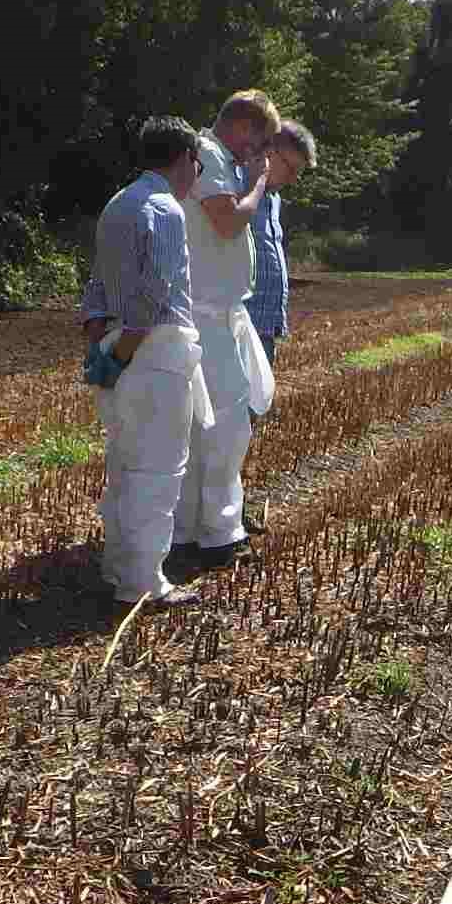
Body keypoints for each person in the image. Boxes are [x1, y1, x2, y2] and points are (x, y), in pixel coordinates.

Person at [80, 117, 210, 610]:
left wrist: (100, 346)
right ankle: (143, 582)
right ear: (184, 159)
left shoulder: (119, 203)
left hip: (115, 341)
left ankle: (118, 566)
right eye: (197, 164)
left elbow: (96, 284)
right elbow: (156, 296)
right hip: (154, 350)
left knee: (125, 464)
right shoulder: (165, 209)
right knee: (159, 470)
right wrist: (127, 350)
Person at [170, 90, 281, 578]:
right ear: (243, 128)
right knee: (226, 423)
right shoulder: (211, 154)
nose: (257, 153)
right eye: (259, 141)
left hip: (218, 311)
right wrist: (258, 183)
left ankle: (195, 528)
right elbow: (228, 221)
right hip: (207, 314)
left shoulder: (215, 158)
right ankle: (216, 534)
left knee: (210, 425)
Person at [247, 119, 315, 370]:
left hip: (265, 327)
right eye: (291, 168)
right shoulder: (239, 187)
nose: (294, 179)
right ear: (270, 151)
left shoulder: (273, 199)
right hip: (242, 328)